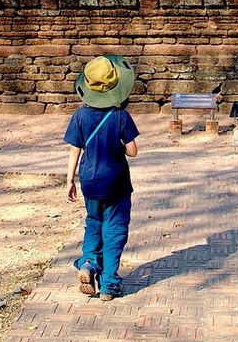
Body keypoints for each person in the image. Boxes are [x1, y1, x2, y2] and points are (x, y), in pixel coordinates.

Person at [64, 54, 140, 301]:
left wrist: (69, 181)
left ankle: (88, 263)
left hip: (90, 182)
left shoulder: (79, 116)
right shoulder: (120, 116)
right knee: (114, 230)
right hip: (116, 183)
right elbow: (133, 151)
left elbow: (74, 150)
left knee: (93, 223)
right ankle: (109, 285)